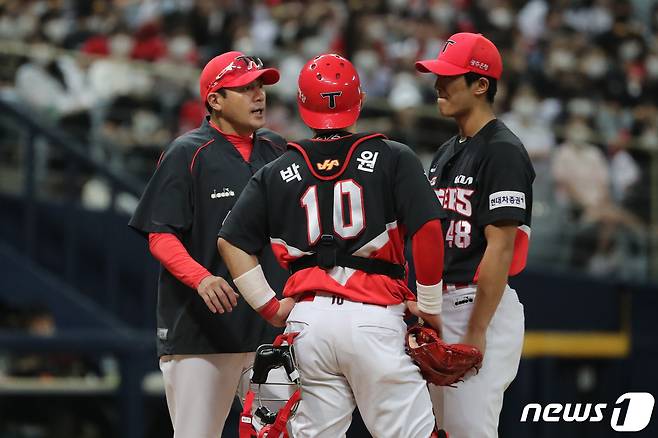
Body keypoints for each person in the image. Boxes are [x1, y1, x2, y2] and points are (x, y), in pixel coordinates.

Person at [218, 53, 447, 438]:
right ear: (357, 102)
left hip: (309, 324)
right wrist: (431, 307)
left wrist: (271, 307)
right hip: (375, 317)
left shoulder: (275, 170)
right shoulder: (393, 156)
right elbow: (427, 230)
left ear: (302, 106)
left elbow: (231, 241)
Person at [128, 51, 288, 437]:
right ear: (214, 100)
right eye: (245, 88)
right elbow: (160, 234)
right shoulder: (187, 151)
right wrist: (201, 278)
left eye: (261, 86)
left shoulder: (278, 150)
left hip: (270, 331)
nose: (259, 95)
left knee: (283, 434)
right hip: (201, 331)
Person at [415, 32, 535, 438]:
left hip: (477, 306)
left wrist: (477, 329)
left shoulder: (502, 150)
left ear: (481, 85)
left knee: (470, 430)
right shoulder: (448, 149)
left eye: (450, 77)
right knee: (442, 431)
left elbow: (501, 248)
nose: (438, 85)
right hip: (443, 305)